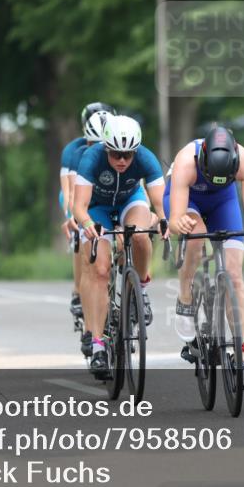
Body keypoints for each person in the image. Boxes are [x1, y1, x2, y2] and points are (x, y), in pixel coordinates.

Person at [165, 125, 244, 386]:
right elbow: (176, 219)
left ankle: (240, 356)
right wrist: (181, 224)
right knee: (196, 236)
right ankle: (186, 296)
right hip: (189, 201)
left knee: (235, 276)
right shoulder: (185, 162)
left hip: (224, 202)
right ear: (202, 159)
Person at [72, 115, 167, 377]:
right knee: (100, 270)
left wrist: (164, 220)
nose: (122, 160)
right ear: (106, 147)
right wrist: (87, 223)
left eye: (127, 154)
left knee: (139, 234)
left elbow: (160, 203)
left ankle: (142, 288)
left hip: (130, 200)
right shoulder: (91, 158)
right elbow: (78, 206)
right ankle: (99, 344)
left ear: (136, 151)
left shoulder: (146, 158)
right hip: (97, 209)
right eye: (115, 154)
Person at [59, 102, 115, 322]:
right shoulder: (74, 151)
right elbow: (69, 189)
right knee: (77, 229)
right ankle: (77, 290)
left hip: (111, 192)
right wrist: (71, 214)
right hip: (79, 189)